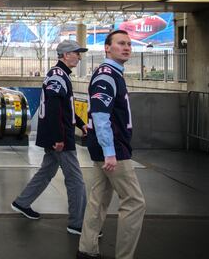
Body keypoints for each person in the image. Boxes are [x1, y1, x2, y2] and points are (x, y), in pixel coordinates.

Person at [77, 30, 146, 259]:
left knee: (99, 199)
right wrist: (110, 152)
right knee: (134, 202)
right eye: (120, 43)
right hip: (114, 150)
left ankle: (87, 250)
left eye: (128, 44)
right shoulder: (107, 75)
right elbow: (100, 116)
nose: (126, 47)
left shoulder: (113, 74)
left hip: (105, 149)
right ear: (107, 48)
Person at [12, 40, 89, 236]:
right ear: (65, 55)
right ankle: (77, 223)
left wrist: (81, 124)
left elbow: (66, 108)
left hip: (59, 135)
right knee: (75, 180)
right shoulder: (58, 76)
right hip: (61, 138)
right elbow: (54, 110)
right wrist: (59, 138)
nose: (79, 57)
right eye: (76, 53)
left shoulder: (61, 75)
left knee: (46, 172)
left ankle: (22, 202)